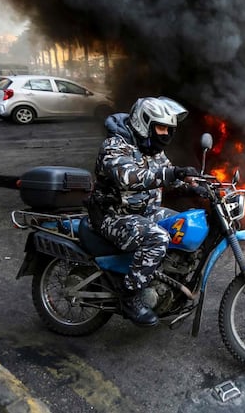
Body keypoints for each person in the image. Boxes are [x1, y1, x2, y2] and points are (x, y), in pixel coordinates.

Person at [88, 96, 199, 326]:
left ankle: (168, 282)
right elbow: (128, 178)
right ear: (143, 122)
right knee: (157, 237)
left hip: (144, 212)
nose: (165, 135)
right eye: (161, 128)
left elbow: (169, 174)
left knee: (186, 224)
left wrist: (197, 185)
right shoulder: (115, 146)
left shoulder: (151, 149)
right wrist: (172, 174)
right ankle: (130, 297)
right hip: (113, 216)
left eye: (169, 129)